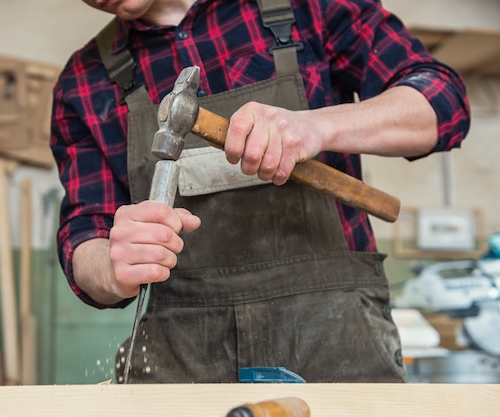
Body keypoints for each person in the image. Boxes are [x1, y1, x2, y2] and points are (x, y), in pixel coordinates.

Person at [50, 0, 470, 383]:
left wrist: (318, 125)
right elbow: (84, 236)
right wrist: (112, 262)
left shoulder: (310, 7)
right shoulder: (83, 81)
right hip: (183, 355)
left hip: (335, 337)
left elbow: (441, 102)